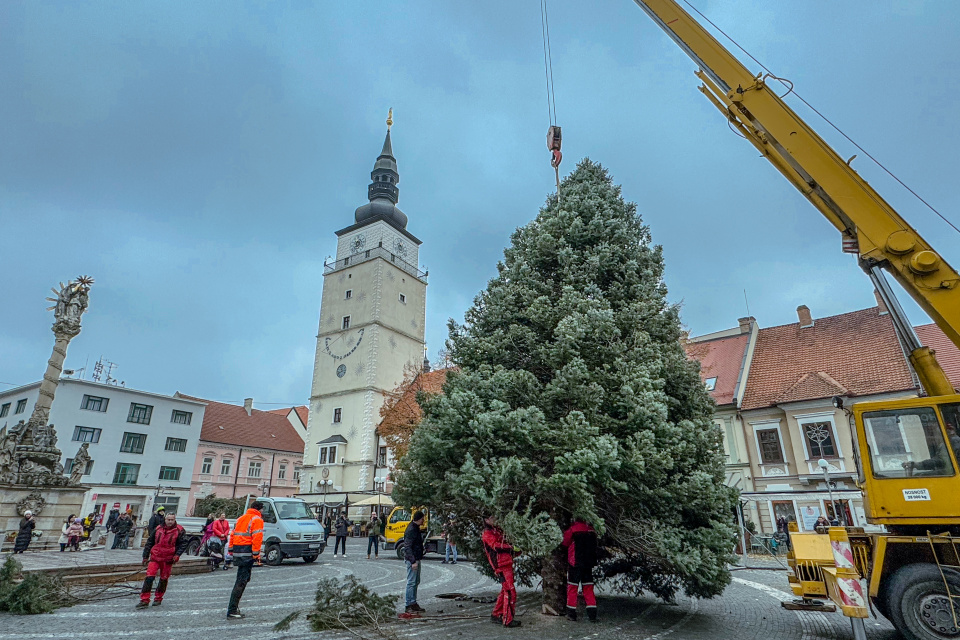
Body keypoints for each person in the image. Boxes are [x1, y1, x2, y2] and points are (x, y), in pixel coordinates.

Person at [136, 512, 188, 609]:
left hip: (168, 559)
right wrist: (145, 556)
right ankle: (144, 599)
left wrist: (177, 555)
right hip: (155, 557)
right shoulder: (158, 528)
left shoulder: (179, 530)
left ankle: (158, 598)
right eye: (168, 519)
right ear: (165, 519)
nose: (170, 521)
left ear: (174, 520)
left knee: (163, 579)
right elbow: (150, 542)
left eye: (172, 520)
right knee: (149, 577)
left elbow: (183, 544)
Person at [226, 501, 264, 619]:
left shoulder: (241, 518)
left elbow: (232, 534)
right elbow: (257, 538)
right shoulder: (257, 520)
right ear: (259, 509)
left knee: (242, 579)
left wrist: (231, 549)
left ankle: (233, 608)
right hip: (247, 552)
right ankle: (232, 609)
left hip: (238, 550)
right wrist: (256, 555)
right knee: (242, 581)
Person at [482, 515, 520, 628]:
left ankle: (496, 614)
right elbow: (496, 546)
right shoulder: (487, 533)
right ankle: (508, 620)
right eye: (492, 517)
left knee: (505, 590)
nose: (495, 519)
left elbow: (505, 545)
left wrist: (516, 549)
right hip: (500, 566)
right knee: (510, 591)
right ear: (486, 520)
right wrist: (511, 548)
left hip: (506, 563)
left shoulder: (497, 530)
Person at [561, 518, 599, 623]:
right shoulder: (591, 530)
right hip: (588, 564)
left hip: (575, 563)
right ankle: (592, 615)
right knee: (588, 588)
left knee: (572, 588)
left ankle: (571, 614)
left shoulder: (572, 530)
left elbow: (565, 542)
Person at [402, 511, 426, 615]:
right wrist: (413, 561)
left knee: (415, 581)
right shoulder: (411, 530)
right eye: (422, 519)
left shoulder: (415, 528)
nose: (423, 521)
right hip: (412, 559)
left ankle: (413, 602)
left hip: (416, 558)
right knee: (411, 582)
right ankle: (408, 605)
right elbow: (407, 546)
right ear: (419, 519)